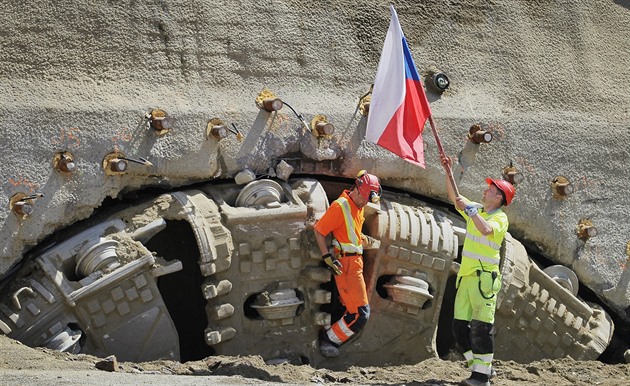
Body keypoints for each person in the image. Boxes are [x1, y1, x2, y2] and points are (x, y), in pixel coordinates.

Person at [440, 154, 515, 386]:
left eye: (490, 190)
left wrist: (472, 211)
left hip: (484, 280)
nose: (485, 191)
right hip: (467, 277)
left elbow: (485, 230)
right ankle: (481, 368)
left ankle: (481, 378)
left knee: (482, 328)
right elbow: (456, 198)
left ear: (499, 197)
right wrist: (448, 170)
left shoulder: (500, 218)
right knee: (459, 327)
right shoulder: (478, 211)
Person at [313, 170, 382, 358]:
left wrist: (363, 240)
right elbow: (319, 231)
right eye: (365, 198)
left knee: (350, 308)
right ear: (358, 189)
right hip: (347, 265)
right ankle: (329, 339)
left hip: (355, 262)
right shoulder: (340, 206)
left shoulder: (357, 207)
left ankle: (330, 333)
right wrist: (327, 257)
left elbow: (350, 234)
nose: (365, 202)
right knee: (360, 314)